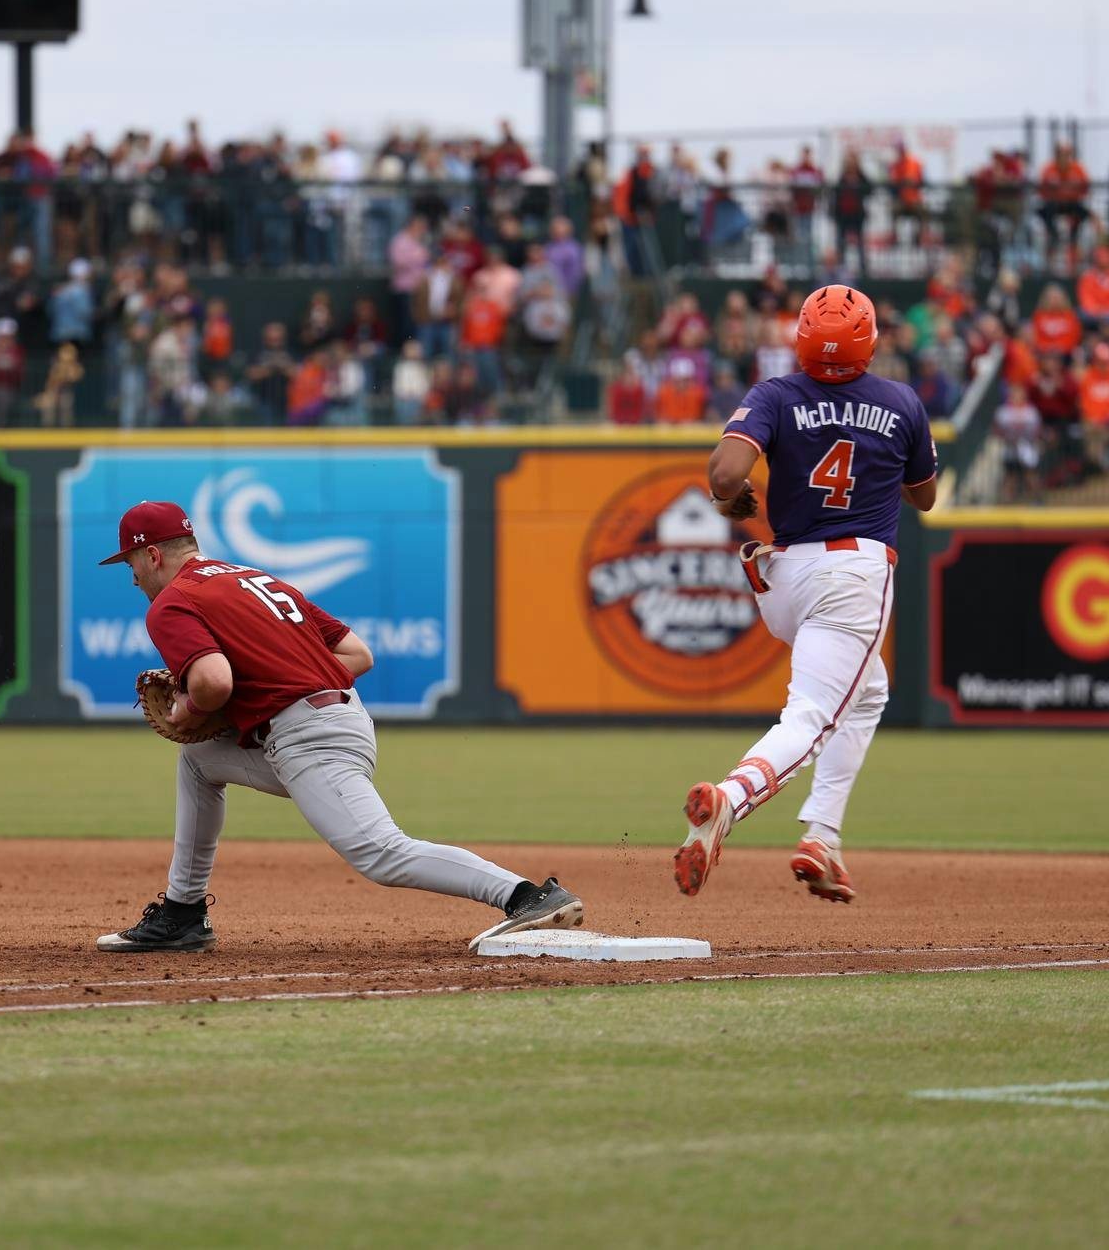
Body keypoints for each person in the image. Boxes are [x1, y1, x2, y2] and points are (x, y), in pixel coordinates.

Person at [95, 501, 584, 953]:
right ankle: (182, 913)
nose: (132, 578)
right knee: (200, 761)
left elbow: (214, 682)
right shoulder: (256, 580)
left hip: (308, 737)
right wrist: (283, 686)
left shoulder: (173, 601)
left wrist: (189, 708)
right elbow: (357, 655)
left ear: (153, 554)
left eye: (131, 563)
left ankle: (526, 895)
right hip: (335, 718)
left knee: (381, 853)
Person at [675, 286, 937, 903]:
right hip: (851, 577)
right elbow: (924, 496)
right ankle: (729, 800)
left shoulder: (775, 393)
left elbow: (725, 476)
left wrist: (723, 500)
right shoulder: (900, 402)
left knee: (868, 693)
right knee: (812, 716)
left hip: (784, 580)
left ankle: (823, 836)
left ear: (801, 338)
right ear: (870, 342)